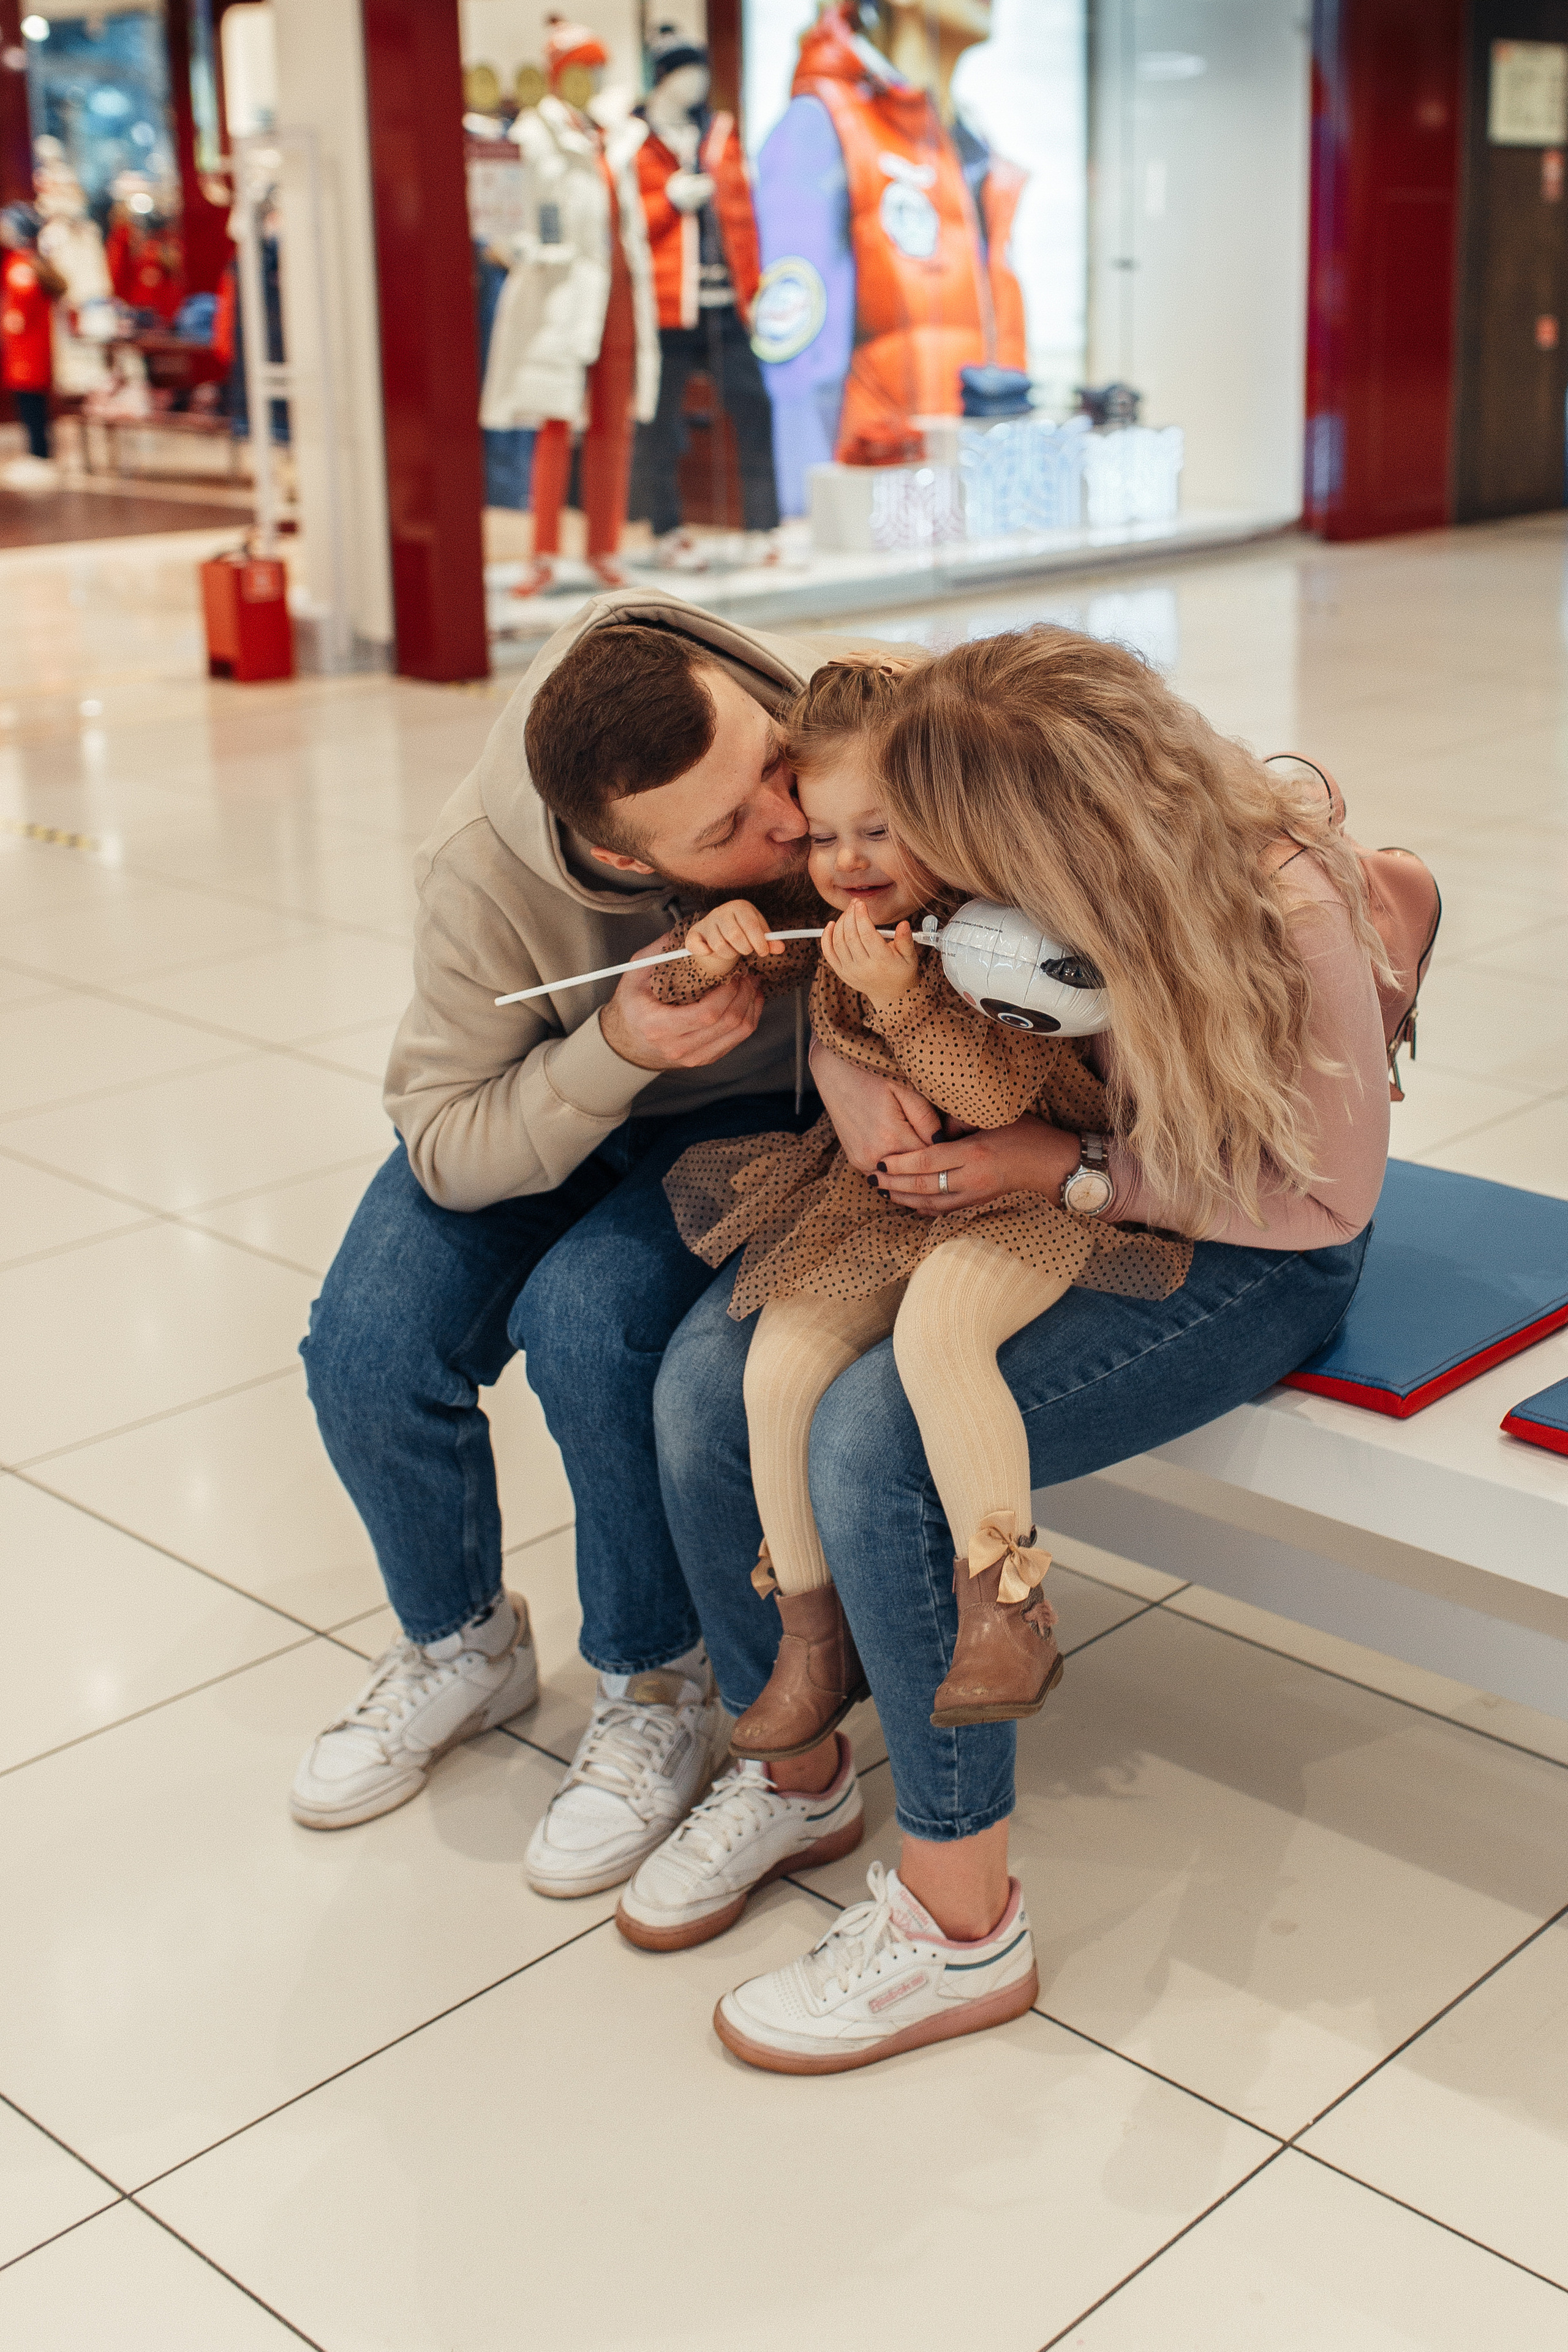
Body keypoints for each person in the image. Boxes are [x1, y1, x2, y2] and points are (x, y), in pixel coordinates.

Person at [635, 625, 1390, 2070]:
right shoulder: (969, 798)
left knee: (877, 1443)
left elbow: (1320, 1196)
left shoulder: (1277, 901)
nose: (911, 870)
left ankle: (957, 1917)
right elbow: (872, 965)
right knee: (709, 1381)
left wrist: (1059, 1165)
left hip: (1237, 1230)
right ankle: (792, 1764)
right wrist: (858, 1069)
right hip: (1016, 1171)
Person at [292, 592, 901, 1909]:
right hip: (560, 1094)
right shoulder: (483, 868)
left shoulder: (835, 735)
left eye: (765, 767)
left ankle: (652, 1672)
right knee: (366, 1340)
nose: (787, 828)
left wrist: (846, 1047)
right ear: (633, 867)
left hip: (753, 1120)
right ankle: (458, 1643)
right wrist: (614, 1051)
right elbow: (446, 1138)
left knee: (589, 1320)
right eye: (729, 832)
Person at [643, 658, 1190, 1759]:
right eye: (825, 835)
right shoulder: (846, 915)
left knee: (944, 1328)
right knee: (779, 1362)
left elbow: (999, 1096)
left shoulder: (992, 933)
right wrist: (709, 955)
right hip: (888, 1199)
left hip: (1023, 1200)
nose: (847, 862)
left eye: (880, 832)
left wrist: (901, 1004)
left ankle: (1006, 1601)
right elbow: (739, 988)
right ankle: (811, 1633)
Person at [1, 203, 66, 488]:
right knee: (34, 402)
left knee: (31, 402)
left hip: (27, 349)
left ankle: (39, 456)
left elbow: (19, 313)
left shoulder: (21, 265)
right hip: (35, 348)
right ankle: (40, 453)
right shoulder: (34, 261)